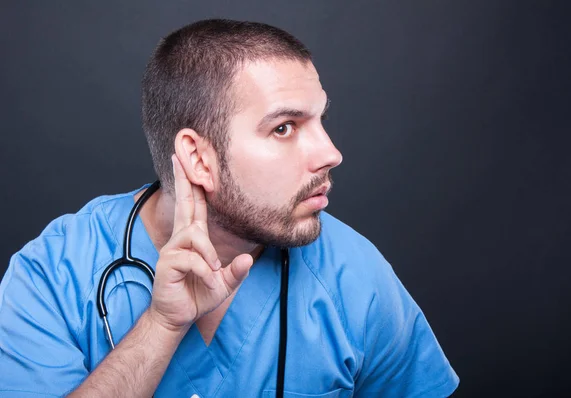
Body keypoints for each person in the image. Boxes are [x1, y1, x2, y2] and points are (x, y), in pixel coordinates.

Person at [0, 19, 459, 397]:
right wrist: (161, 326)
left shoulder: (352, 273)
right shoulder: (51, 273)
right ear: (199, 159)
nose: (330, 153)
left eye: (320, 120)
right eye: (284, 128)